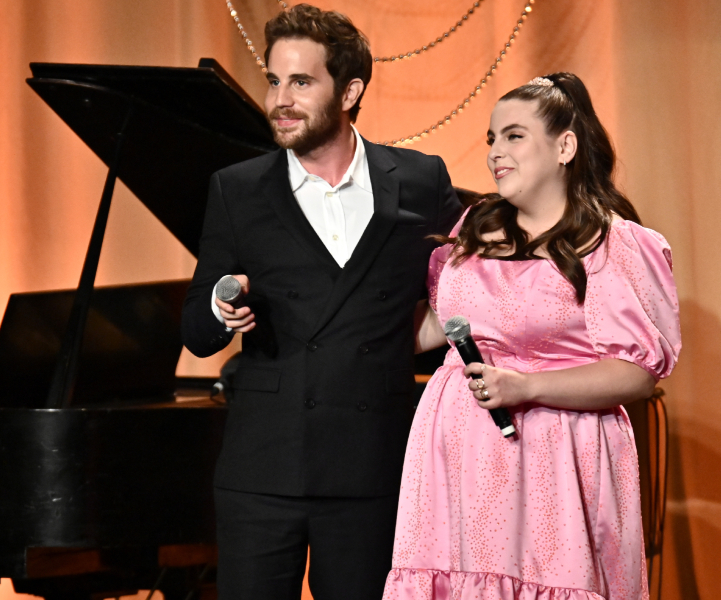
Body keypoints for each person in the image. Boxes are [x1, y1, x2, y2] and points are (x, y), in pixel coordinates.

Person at [180, 4, 463, 599]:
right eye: (274, 80)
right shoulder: (236, 188)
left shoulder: (418, 179)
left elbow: (460, 302)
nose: (280, 98)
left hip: (374, 466)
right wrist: (221, 308)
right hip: (263, 468)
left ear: (350, 89)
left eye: (302, 82)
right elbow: (197, 332)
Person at [383, 73, 681, 600]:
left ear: (565, 145)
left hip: (556, 455)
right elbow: (438, 327)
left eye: (514, 135)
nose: (495, 151)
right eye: (493, 137)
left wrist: (525, 387)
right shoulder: (476, 225)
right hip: (458, 453)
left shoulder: (612, 242)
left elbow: (635, 373)